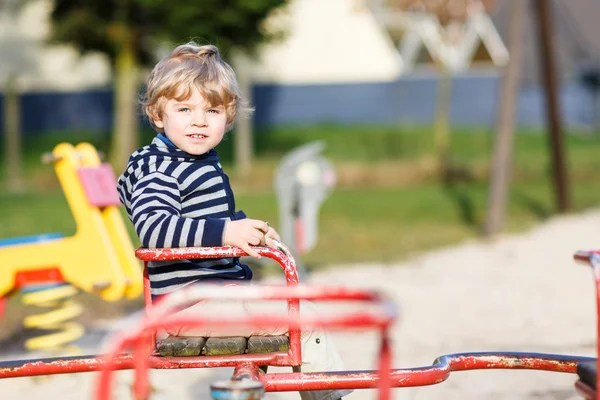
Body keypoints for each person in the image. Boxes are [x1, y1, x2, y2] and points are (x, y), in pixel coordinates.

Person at [117, 41, 351, 400]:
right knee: (303, 318)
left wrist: (246, 228)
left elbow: (209, 217)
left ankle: (251, 389)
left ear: (228, 118)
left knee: (292, 308)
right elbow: (155, 229)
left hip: (212, 299)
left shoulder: (195, 160)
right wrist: (228, 230)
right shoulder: (160, 168)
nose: (199, 120)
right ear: (158, 115)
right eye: (184, 109)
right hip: (187, 309)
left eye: (211, 111)